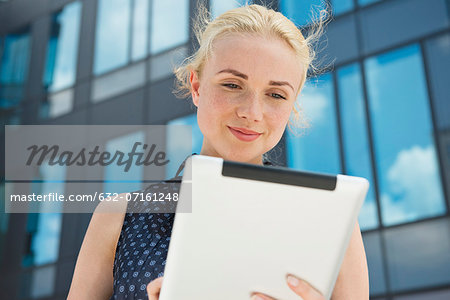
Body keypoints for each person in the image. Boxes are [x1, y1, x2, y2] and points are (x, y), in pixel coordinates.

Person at [68, 4, 369, 300]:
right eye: (232, 85)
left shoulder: (332, 223)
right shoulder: (120, 216)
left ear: (291, 106)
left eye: (276, 94)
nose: (252, 112)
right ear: (197, 87)